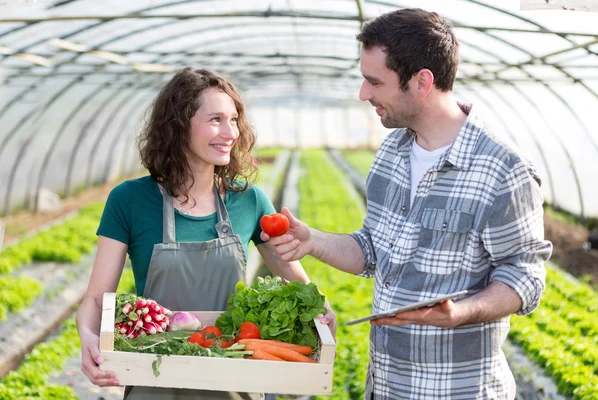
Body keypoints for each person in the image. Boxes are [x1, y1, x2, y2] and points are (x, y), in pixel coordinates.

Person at [263, 8, 552, 400]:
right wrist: (311, 241)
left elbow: (525, 277)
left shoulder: (502, 170)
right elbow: (371, 250)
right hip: (385, 386)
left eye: (374, 82)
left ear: (422, 82)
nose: (364, 94)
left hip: (456, 390)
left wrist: (459, 314)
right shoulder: (391, 154)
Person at [76, 67, 336, 400]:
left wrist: (324, 312)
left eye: (234, 120)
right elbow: (98, 299)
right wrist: (88, 335)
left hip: (233, 378)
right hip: (154, 377)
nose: (230, 132)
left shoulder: (249, 201)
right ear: (179, 124)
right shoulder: (129, 201)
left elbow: (295, 280)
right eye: (215, 119)